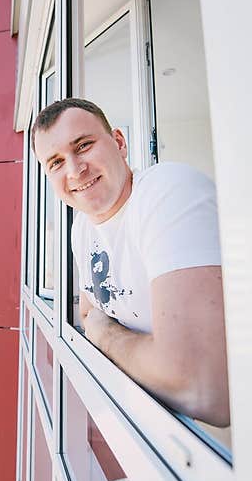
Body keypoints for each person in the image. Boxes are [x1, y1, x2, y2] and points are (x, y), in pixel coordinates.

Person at [32, 98, 230, 428]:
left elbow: (201, 388)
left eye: (83, 145)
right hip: (157, 435)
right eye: (55, 162)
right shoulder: (82, 227)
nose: (74, 169)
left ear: (119, 143)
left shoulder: (168, 191)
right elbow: (87, 312)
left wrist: (106, 335)